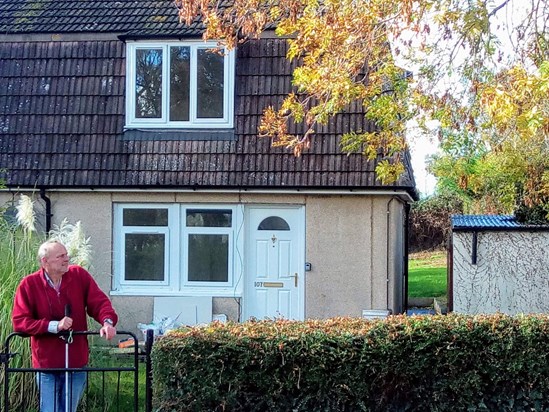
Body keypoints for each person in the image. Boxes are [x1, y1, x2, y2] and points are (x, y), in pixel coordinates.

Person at [12, 240, 118, 412]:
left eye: (66, 255)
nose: (66, 259)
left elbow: (99, 303)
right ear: (44, 261)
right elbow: (20, 322)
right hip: (47, 363)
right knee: (49, 409)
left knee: (69, 409)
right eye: (60, 256)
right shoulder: (29, 284)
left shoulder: (79, 275)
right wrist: (54, 326)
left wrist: (107, 322)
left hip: (76, 361)